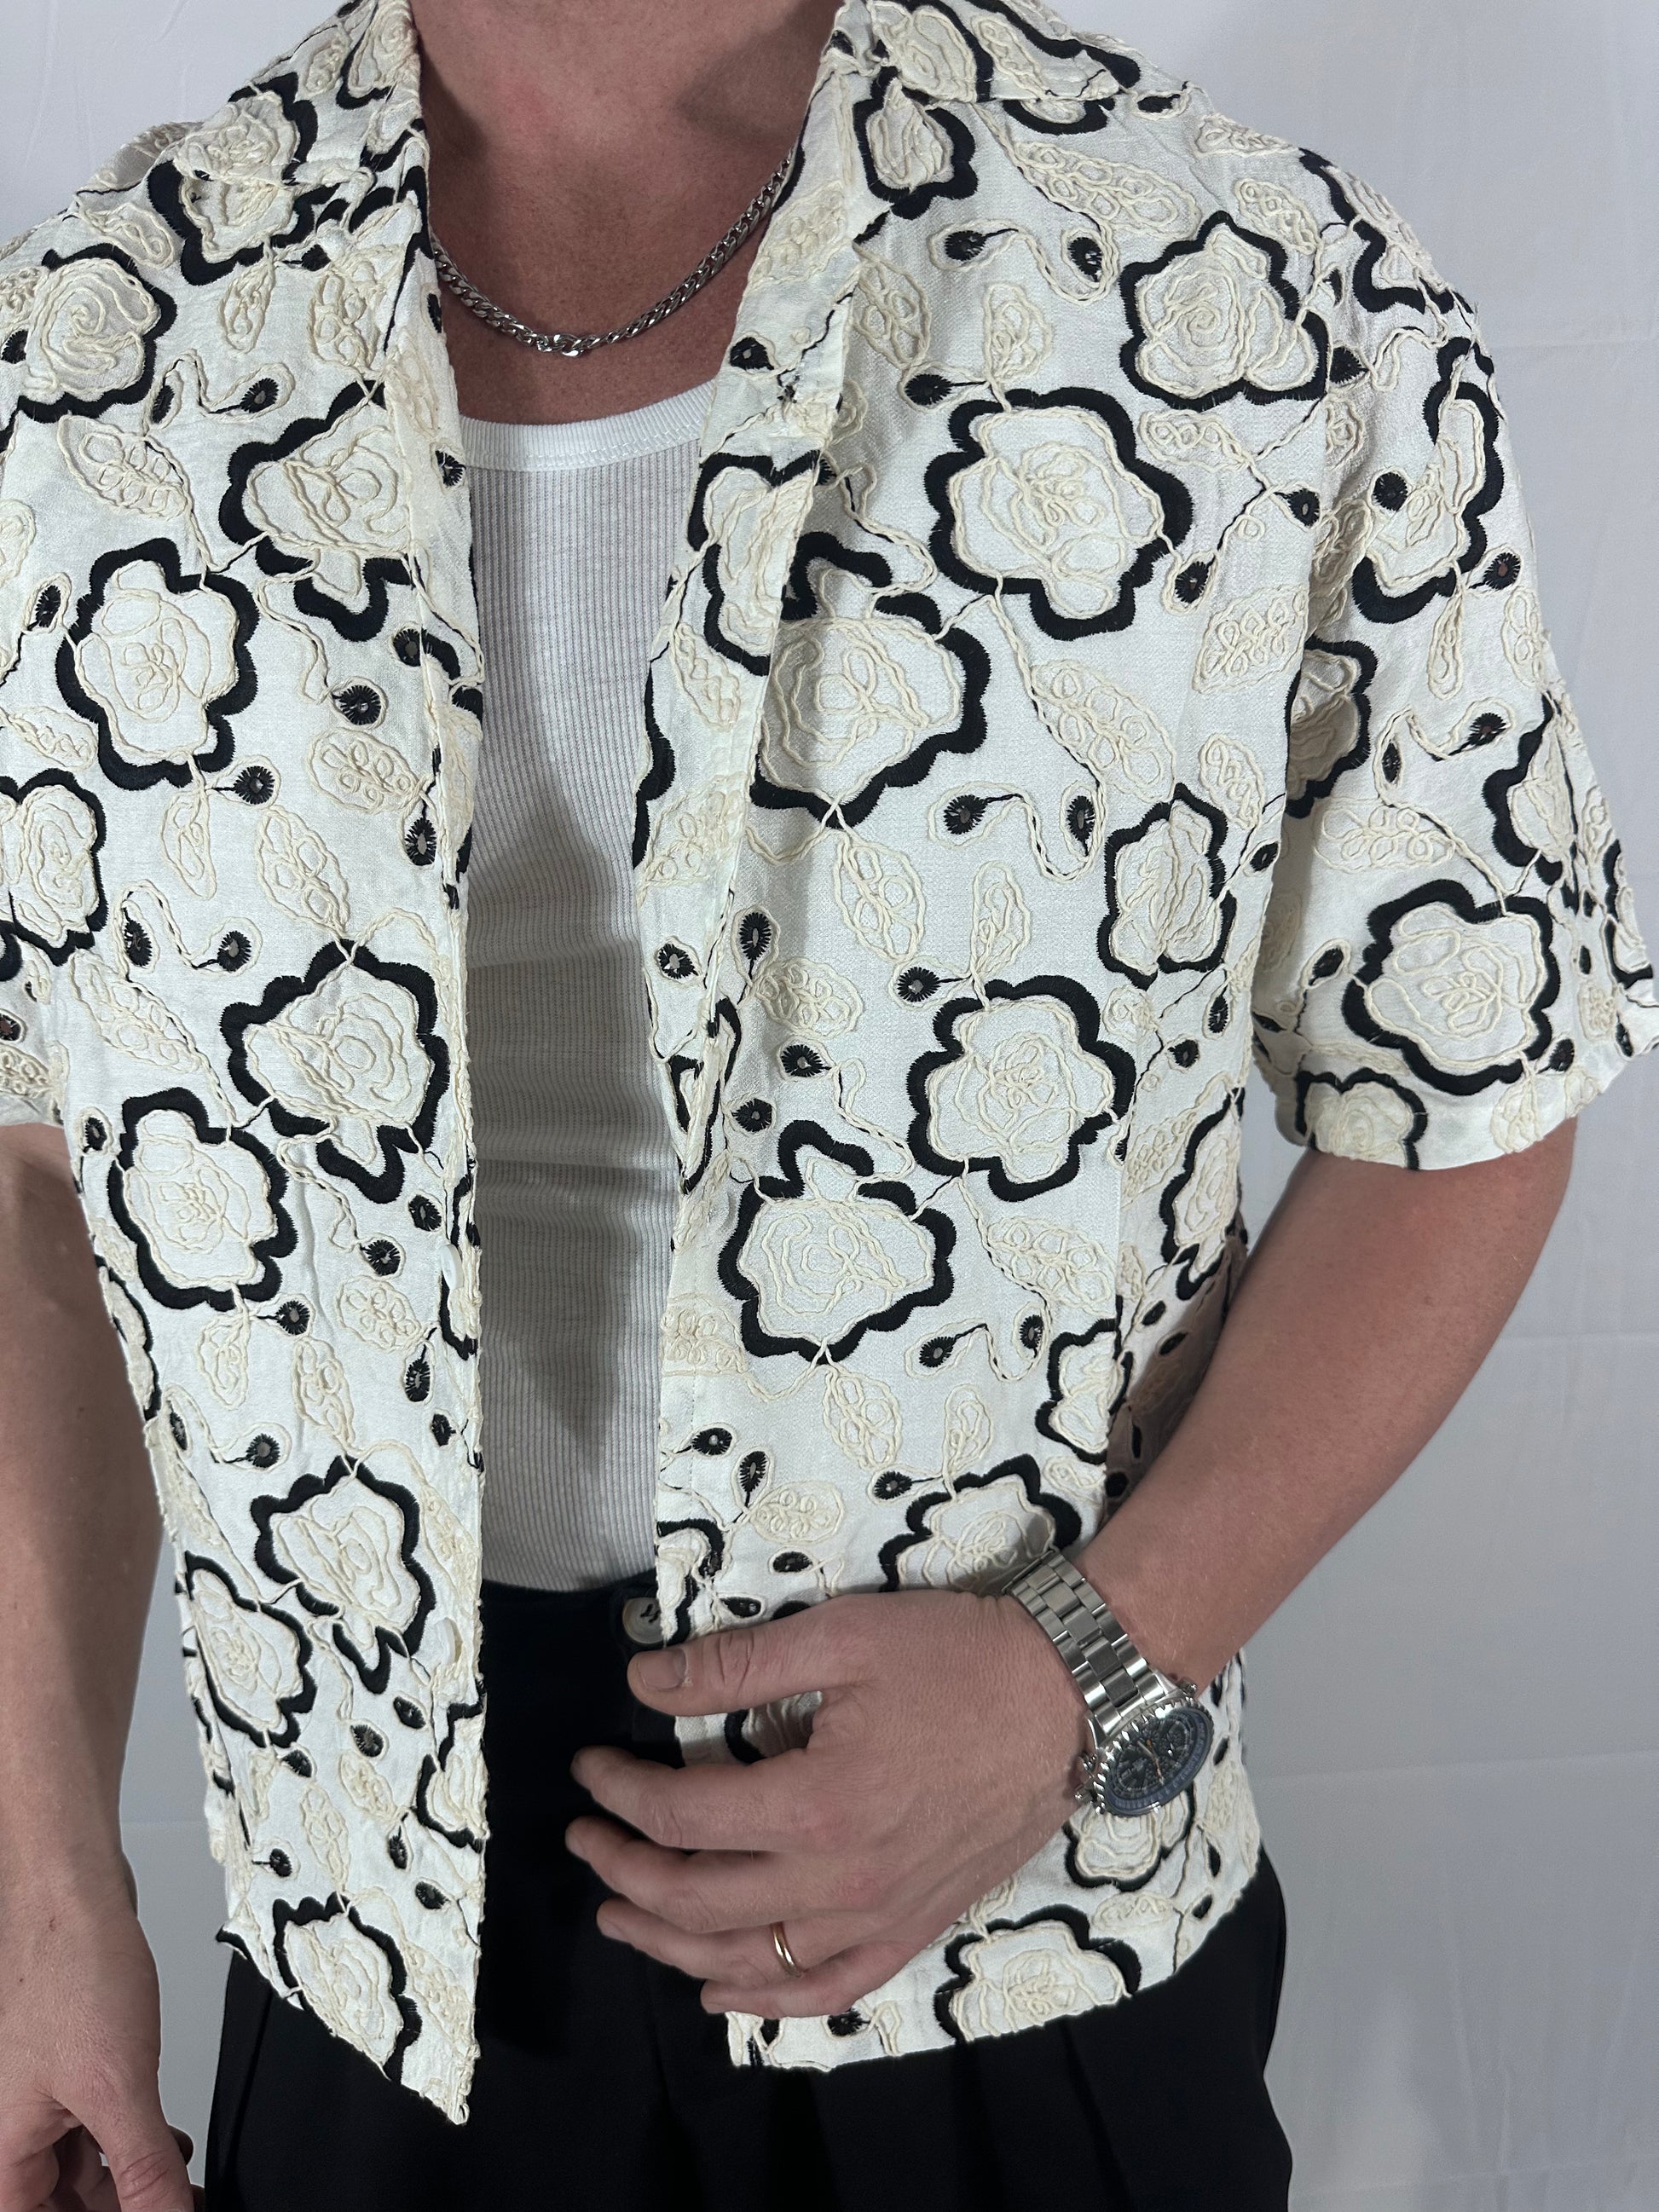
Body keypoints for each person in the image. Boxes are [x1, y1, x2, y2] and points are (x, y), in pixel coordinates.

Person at [0, 0, 1653, 2205]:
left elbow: (1464, 1084)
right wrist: (37, 1878)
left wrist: (1089, 1668)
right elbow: (42, 1162)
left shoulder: (1239, 289)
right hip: (374, 1936)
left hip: (1017, 1895)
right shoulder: (96, 347)